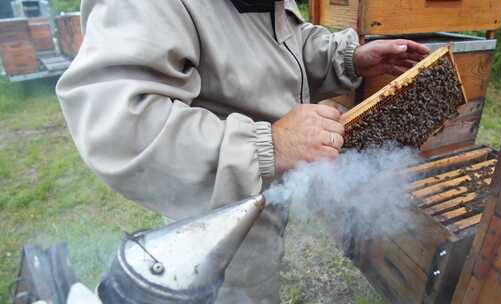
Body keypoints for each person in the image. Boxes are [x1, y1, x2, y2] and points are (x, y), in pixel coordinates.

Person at [56, 0, 429, 303]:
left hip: (263, 198)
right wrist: (269, 144)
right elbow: (119, 125)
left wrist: (348, 58)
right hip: (216, 214)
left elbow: (283, 42)